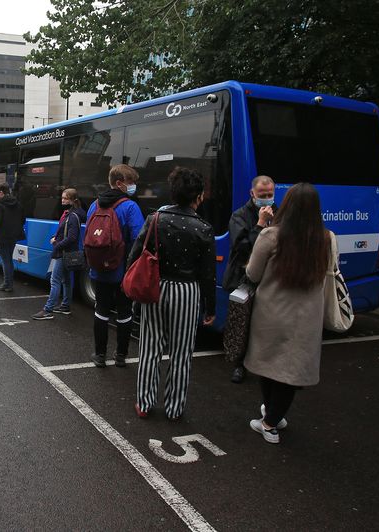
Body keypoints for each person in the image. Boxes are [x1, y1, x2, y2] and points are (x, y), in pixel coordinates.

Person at [243, 182, 331, 444]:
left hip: (272, 311)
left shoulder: (271, 235)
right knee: (290, 369)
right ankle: (274, 414)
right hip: (308, 315)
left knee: (267, 362)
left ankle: (269, 422)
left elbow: (252, 273)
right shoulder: (326, 238)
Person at [128, 168, 216, 419]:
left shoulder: (156, 218)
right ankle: (174, 408)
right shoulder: (203, 227)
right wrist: (210, 307)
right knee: (182, 351)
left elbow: (135, 253)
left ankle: (145, 403)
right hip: (188, 291)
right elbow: (207, 273)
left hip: (156, 286)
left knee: (150, 348)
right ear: (198, 196)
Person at [85, 164, 145, 367]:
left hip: (98, 269)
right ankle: (120, 355)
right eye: (131, 182)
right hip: (123, 270)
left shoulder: (95, 205)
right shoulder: (130, 206)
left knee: (101, 310)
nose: (133, 186)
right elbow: (139, 238)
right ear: (119, 183)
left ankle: (99, 355)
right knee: (124, 312)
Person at [223, 175, 277, 383]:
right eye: (262, 195)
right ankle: (239, 365)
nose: (266, 199)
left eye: (269, 195)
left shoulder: (279, 212)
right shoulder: (240, 216)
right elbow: (242, 247)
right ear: (252, 194)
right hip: (243, 277)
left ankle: (263, 362)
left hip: (269, 278)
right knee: (242, 322)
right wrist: (260, 224)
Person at [32, 188, 87, 319]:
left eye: (66, 198)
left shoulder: (73, 216)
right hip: (66, 252)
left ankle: (48, 310)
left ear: (73, 200)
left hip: (63, 253)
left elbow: (72, 237)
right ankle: (65, 306)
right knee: (66, 280)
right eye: (62, 198)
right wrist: (56, 238)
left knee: (54, 280)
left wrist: (56, 243)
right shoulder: (71, 214)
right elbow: (66, 234)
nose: (63, 201)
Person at [0, 183, 26, 291]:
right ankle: (9, 283)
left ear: (1, 192)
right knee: (9, 259)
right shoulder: (18, 204)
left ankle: (7, 284)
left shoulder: (0, 205)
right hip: (14, 236)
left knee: (5, 260)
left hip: (3, 236)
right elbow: (23, 220)